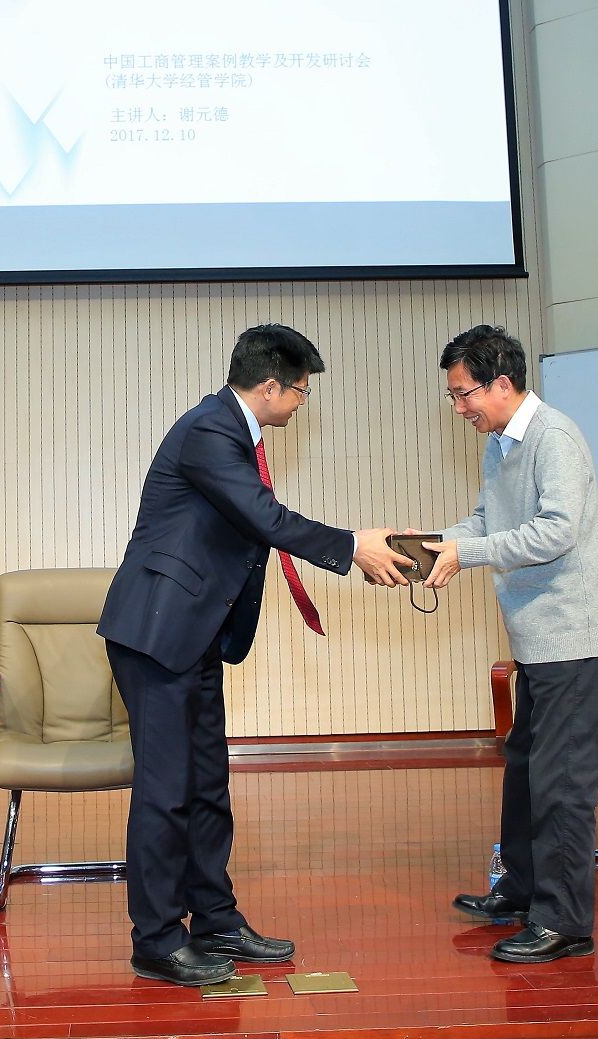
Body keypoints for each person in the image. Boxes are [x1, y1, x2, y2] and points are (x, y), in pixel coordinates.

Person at [98, 323, 410, 986]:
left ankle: (214, 919)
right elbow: (265, 518)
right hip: (157, 634)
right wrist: (351, 546)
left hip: (195, 633)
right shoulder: (210, 431)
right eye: (300, 391)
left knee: (207, 786)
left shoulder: (232, 432)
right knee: (165, 792)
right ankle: (156, 939)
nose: (301, 402)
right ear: (270, 386)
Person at [420, 324, 598, 963]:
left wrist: (468, 554)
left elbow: (556, 531)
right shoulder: (500, 443)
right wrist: (431, 544)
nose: (459, 408)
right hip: (539, 640)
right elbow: (488, 521)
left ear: (501, 383)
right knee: (526, 771)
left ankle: (565, 923)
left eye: (464, 394)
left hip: (574, 640)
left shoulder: (553, 437)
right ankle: (521, 890)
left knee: (562, 784)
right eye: (454, 396)